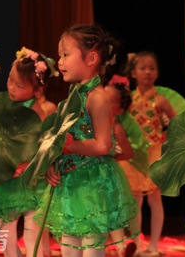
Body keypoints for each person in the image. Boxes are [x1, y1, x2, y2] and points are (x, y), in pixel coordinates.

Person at [39, 24, 138, 257]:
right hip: (71, 179)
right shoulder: (75, 94)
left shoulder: (97, 98)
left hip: (92, 182)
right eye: (59, 55)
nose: (59, 62)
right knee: (69, 244)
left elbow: (103, 145)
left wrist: (68, 145)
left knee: (92, 246)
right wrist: (53, 162)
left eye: (65, 55)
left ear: (91, 58)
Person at [0, 47, 58, 257]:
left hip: (31, 176)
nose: (11, 88)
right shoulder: (3, 105)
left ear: (37, 91)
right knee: (6, 226)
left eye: (19, 85)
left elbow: (43, 145)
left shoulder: (36, 112)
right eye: (10, 80)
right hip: (7, 175)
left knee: (33, 229)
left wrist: (24, 165)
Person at [127, 51, 177, 256]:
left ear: (157, 74)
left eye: (152, 68)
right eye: (142, 68)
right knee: (135, 200)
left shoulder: (162, 100)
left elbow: (175, 122)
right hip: (135, 154)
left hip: (155, 153)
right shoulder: (127, 99)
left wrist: (166, 135)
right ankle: (137, 245)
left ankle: (154, 245)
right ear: (133, 73)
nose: (147, 72)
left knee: (155, 199)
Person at [105, 76, 137, 257]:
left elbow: (128, 152)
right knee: (98, 212)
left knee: (112, 212)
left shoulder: (115, 127)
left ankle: (120, 247)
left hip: (109, 176)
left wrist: (112, 155)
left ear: (119, 109)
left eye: (108, 101)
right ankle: (101, 247)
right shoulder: (91, 122)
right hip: (92, 176)